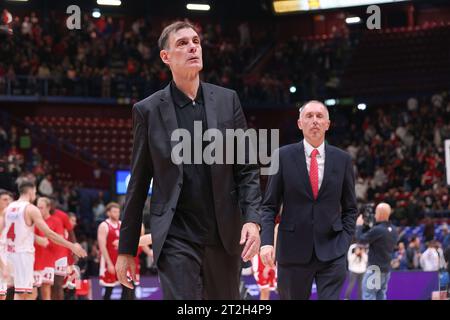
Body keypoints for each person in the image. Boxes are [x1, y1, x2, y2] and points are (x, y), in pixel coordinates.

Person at [116, 20, 262, 300]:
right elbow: (138, 183)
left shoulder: (227, 100)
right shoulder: (147, 111)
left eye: (195, 41)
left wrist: (252, 220)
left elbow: (247, 168)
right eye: (182, 43)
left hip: (223, 233)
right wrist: (126, 250)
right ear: (166, 57)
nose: (193, 47)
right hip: (176, 236)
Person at [260, 100, 357, 300]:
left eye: (320, 116)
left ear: (328, 124)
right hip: (292, 252)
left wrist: (345, 240)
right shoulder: (282, 156)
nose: (314, 121)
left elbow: (350, 209)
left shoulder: (343, 159)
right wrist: (267, 242)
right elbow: (269, 206)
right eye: (309, 116)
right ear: (299, 123)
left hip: (332, 250)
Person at [0, 181, 86, 300]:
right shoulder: (30, 209)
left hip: (8, 255)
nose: (35, 194)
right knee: (24, 295)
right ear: (30, 192)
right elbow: (49, 233)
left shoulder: (7, 209)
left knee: (20, 293)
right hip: (23, 256)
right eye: (35, 192)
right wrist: (71, 246)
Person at [355, 202, 398, 300]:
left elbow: (360, 240)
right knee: (381, 296)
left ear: (381, 214)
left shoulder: (378, 230)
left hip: (374, 270)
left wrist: (359, 226)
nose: (374, 215)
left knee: (369, 296)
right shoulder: (394, 230)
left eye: (376, 212)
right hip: (386, 270)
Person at [0, 189, 13, 299]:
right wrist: (3, 266)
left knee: (2, 295)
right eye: (4, 200)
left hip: (4, 261)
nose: (8, 202)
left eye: (9, 200)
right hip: (1, 264)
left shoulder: (8, 219)